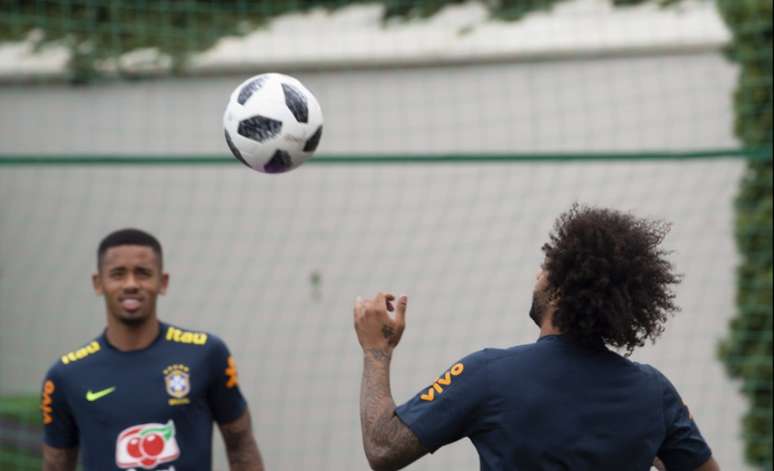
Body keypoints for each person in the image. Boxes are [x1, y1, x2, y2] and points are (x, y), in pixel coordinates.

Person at [353, 204, 720, 471]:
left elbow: (384, 448)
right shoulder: (653, 393)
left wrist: (376, 351)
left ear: (562, 289)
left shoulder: (487, 374)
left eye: (547, 267)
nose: (538, 273)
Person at [41, 228, 265, 471]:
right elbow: (56, 465)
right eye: (117, 274)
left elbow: (241, 444)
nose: (131, 284)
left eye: (143, 273)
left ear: (163, 282)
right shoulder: (67, 375)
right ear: (98, 283)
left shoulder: (207, 354)